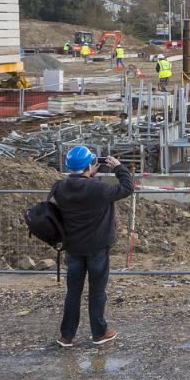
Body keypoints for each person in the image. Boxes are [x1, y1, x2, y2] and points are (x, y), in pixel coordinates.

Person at [52, 145, 134, 348]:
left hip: (73, 247)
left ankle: (66, 335)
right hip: (97, 246)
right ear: (89, 165)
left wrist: (88, 174)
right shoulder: (98, 189)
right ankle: (99, 333)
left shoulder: (59, 187)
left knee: (73, 291)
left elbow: (78, 187)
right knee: (97, 291)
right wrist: (119, 168)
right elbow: (127, 188)